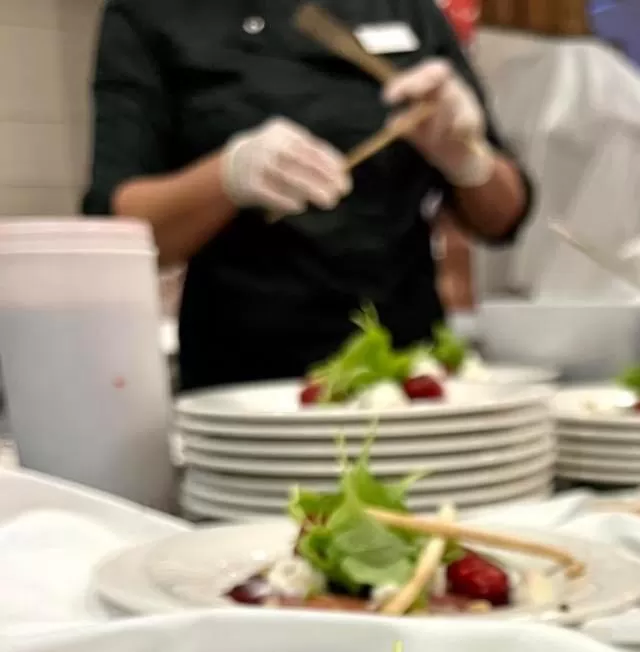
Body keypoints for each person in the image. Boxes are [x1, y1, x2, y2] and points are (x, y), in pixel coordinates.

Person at [83, 1, 532, 391]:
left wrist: (467, 160)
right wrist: (228, 176)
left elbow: (504, 216)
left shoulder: (405, 7)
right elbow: (117, 229)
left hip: (409, 377)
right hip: (244, 389)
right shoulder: (149, 12)